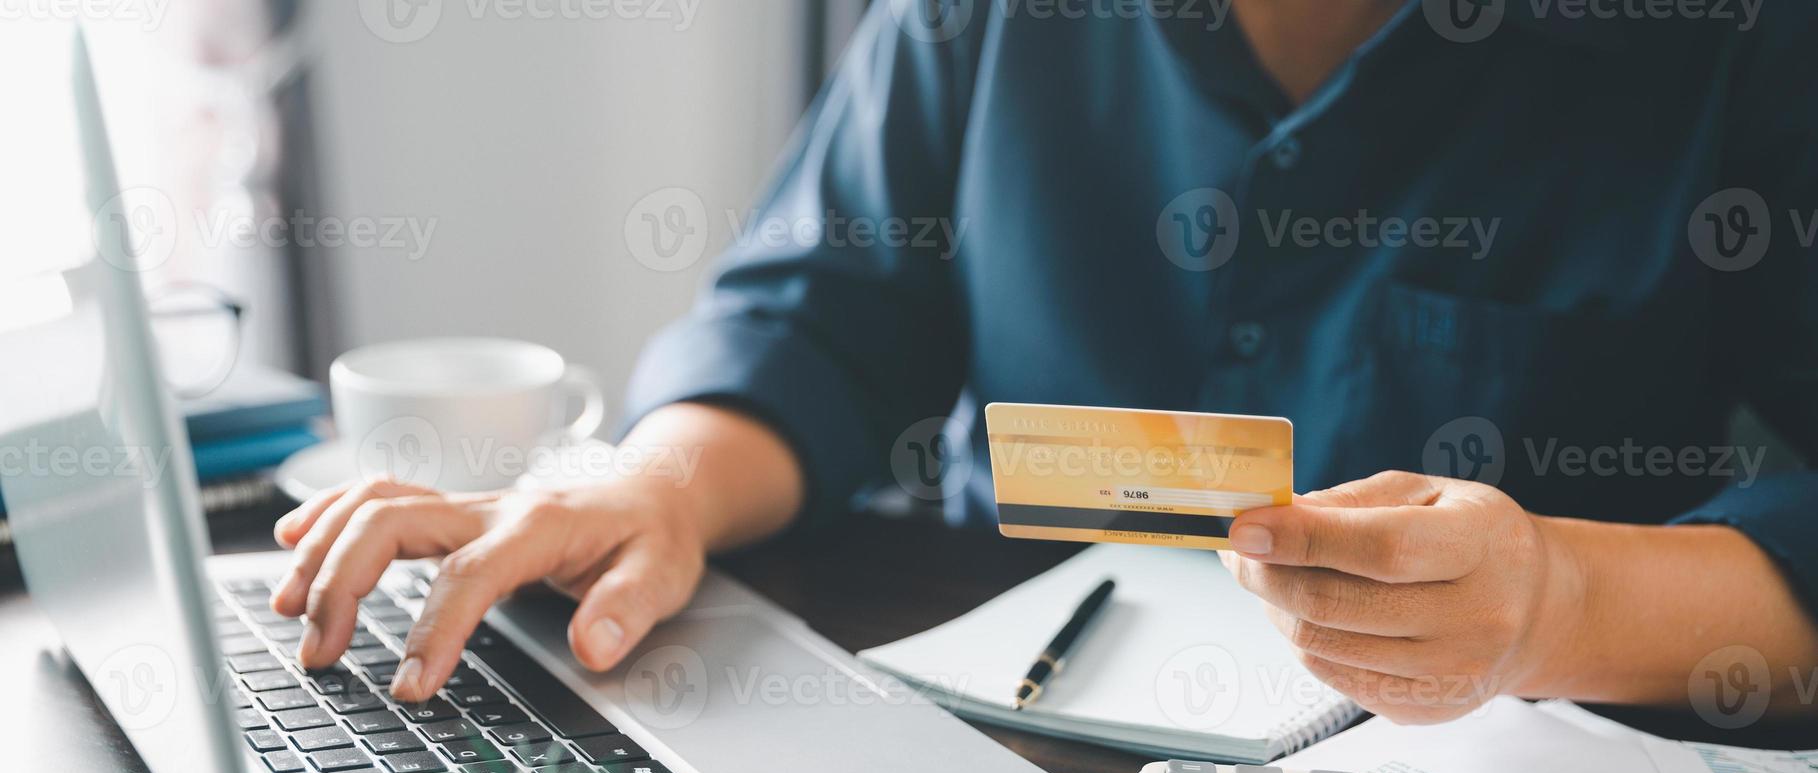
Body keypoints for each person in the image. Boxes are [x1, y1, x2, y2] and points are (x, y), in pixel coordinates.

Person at [272, 0, 1818, 723]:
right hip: (995, 764)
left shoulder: (1733, 46)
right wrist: (653, 482)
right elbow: (816, 317)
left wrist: (1556, 600)